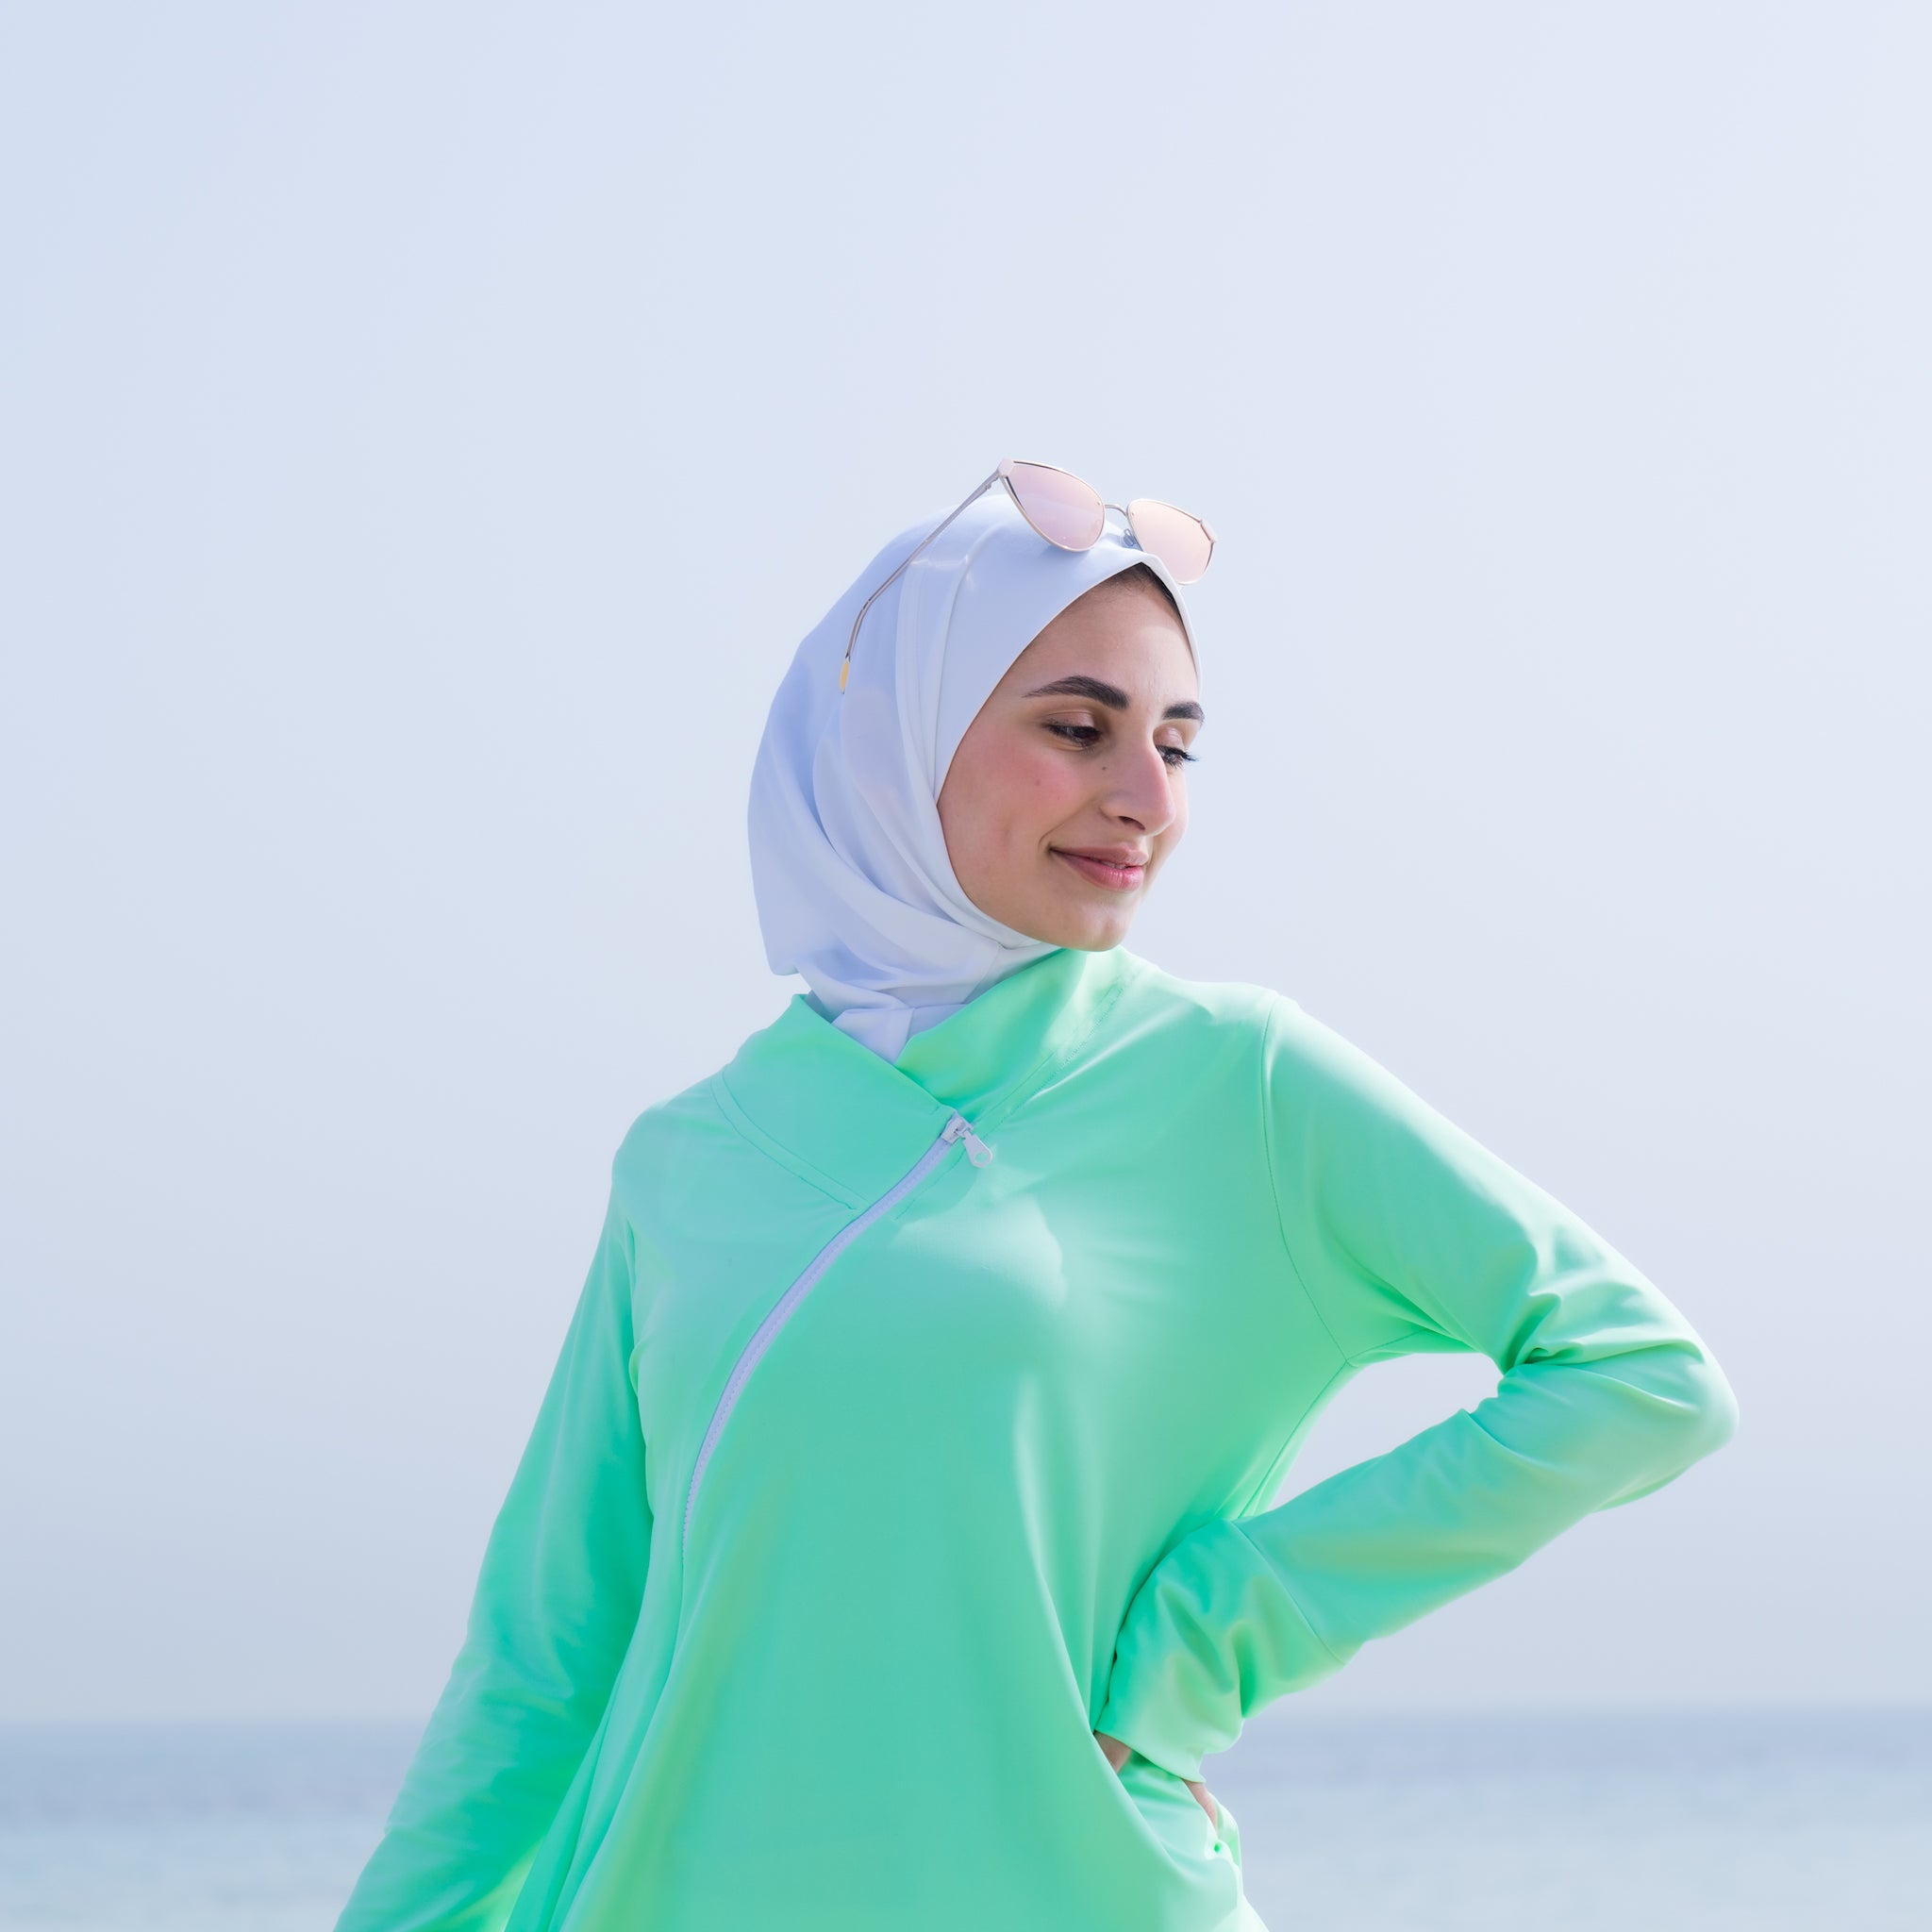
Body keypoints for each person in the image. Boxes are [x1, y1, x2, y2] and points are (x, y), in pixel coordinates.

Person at [335, 463, 1738, 1932]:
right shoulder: (691, 1159)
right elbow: (545, 1653)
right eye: (1079, 730)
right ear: (897, 735)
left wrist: (1214, 1639)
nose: (1149, 802)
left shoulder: (1238, 1083)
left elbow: (1637, 1377)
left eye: (1178, 746)